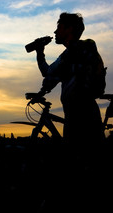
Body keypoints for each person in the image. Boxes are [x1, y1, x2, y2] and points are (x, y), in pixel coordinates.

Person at [34, 12, 105, 144]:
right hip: (76, 111)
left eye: (59, 27)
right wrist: (40, 53)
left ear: (69, 29)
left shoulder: (84, 48)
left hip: (81, 114)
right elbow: (50, 73)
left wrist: (44, 88)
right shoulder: (67, 55)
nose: (55, 31)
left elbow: (51, 74)